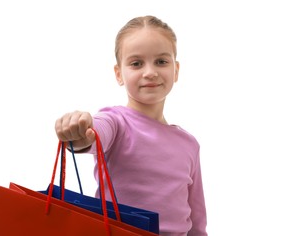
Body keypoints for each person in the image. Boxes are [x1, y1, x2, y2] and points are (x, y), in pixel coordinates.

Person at [55, 15, 208, 236]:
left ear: (176, 70)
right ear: (119, 74)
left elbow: (196, 219)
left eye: (161, 61)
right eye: (136, 63)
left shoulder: (189, 144)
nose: (150, 72)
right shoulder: (115, 121)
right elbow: (93, 134)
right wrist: (80, 131)